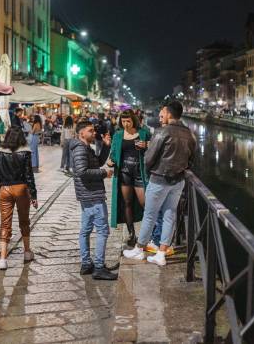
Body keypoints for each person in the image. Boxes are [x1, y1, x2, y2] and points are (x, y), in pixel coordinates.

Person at [123, 101, 196, 267]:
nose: (160, 116)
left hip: (159, 179)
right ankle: (161, 253)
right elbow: (192, 159)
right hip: (178, 181)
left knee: (150, 215)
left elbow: (149, 158)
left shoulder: (162, 132)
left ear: (169, 114)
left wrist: (151, 167)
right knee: (170, 215)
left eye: (162, 113)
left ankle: (139, 249)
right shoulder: (189, 134)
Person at [70, 119, 117, 280]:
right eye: (90, 131)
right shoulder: (80, 149)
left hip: (87, 194)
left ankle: (86, 263)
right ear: (81, 133)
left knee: (86, 229)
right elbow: (82, 171)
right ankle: (98, 267)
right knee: (102, 230)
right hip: (92, 194)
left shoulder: (85, 148)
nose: (94, 133)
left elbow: (97, 162)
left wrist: (106, 146)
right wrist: (105, 173)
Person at [0, 126, 38, 269]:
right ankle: (26, 252)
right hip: (21, 188)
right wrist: (34, 194)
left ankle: (3, 259)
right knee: (24, 221)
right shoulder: (25, 152)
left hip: (4, 189)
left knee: (5, 223)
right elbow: (29, 175)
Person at [107, 110, 151, 247]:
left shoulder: (143, 133)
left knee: (146, 204)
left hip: (140, 173)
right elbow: (113, 154)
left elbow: (154, 149)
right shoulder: (118, 135)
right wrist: (110, 161)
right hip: (124, 173)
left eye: (128, 121)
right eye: (123, 121)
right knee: (127, 203)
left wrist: (147, 145)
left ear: (134, 121)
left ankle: (148, 234)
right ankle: (132, 233)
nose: (126, 124)